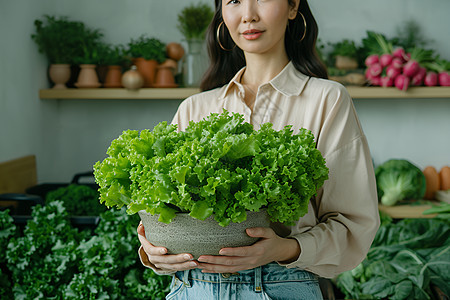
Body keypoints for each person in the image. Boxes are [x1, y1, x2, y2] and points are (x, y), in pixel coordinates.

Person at [137, 0, 380, 299]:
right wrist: (154, 253)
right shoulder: (195, 107)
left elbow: (354, 225)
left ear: (293, 7)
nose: (248, 15)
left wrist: (287, 248)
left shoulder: (327, 100)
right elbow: (163, 209)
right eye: (234, 1)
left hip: (282, 284)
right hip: (192, 287)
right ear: (222, 14)